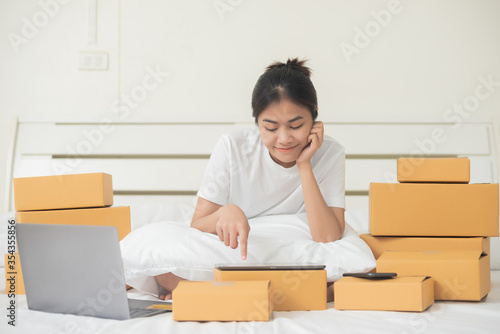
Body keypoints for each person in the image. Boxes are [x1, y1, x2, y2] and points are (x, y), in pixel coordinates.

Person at [155, 58, 346, 300]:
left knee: (359, 265)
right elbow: (198, 225)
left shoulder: (331, 152)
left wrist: (304, 164)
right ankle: (283, 295)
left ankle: (224, 295)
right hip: (240, 248)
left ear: (315, 117)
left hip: (297, 249)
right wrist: (226, 212)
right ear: (257, 123)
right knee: (162, 263)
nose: (284, 138)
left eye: (296, 125)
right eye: (271, 128)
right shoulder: (232, 146)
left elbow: (327, 237)